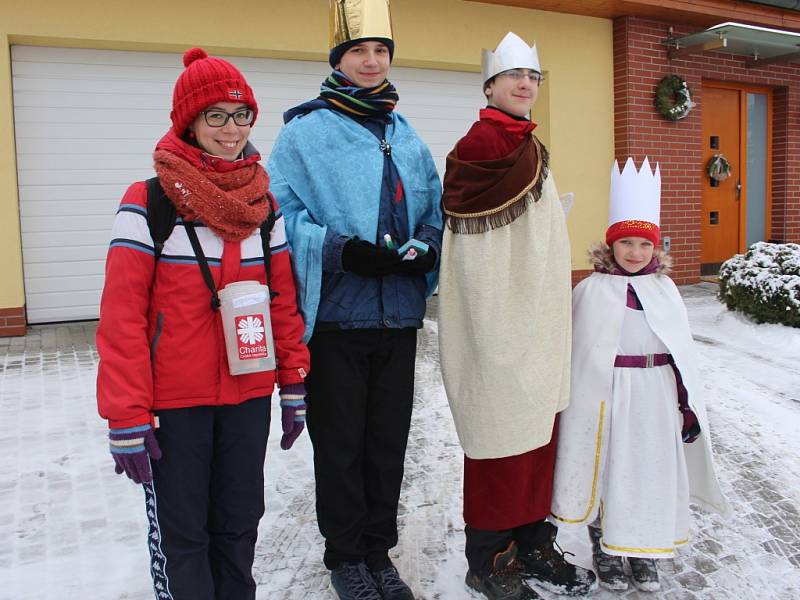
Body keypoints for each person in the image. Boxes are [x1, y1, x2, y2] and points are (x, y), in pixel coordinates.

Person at [96, 48, 310, 600]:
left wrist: (293, 384)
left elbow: (282, 304)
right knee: (184, 537)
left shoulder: (264, 206)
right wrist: (127, 414)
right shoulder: (149, 203)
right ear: (187, 121)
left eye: (241, 115)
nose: (231, 129)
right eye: (215, 115)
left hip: (246, 396)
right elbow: (122, 318)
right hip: (175, 406)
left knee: (238, 526)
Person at [267, 2, 442, 599]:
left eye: (380, 51)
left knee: (387, 442)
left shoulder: (405, 133)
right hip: (338, 318)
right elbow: (281, 216)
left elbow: (433, 206)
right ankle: (345, 556)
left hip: (399, 316)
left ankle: (377, 550)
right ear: (338, 60)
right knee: (341, 445)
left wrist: (427, 245)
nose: (371, 62)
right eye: (358, 52)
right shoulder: (304, 133)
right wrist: (343, 250)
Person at [438, 32, 596, 600]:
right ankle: (490, 560)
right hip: (502, 319)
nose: (526, 85)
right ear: (490, 87)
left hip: (536, 317)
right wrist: (495, 323)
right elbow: (476, 253)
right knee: (501, 440)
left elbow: (524, 228)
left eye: (533, 78)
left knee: (536, 436)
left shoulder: (526, 141)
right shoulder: (483, 145)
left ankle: (532, 540)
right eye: (514, 78)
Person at [550, 157, 731, 592]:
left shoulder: (665, 291)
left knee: (648, 469)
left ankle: (643, 552)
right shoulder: (591, 290)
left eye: (644, 245)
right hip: (605, 393)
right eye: (626, 243)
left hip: (654, 393)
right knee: (610, 467)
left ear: (656, 248)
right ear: (610, 246)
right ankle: (608, 549)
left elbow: (680, 354)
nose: (635, 252)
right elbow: (573, 349)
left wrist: (686, 408)